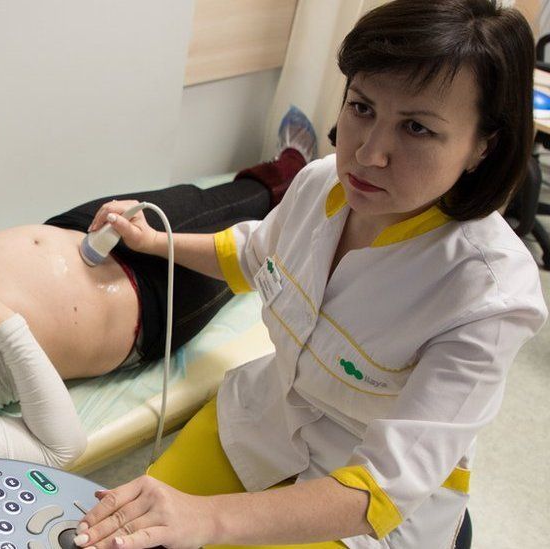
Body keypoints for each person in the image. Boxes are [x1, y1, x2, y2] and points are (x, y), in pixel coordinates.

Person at [72, 1, 548, 548]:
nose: (369, 154)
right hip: (262, 422)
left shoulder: (490, 295)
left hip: (360, 503)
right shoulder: (323, 183)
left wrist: (208, 519)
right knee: (120, 536)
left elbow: (380, 489)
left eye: (416, 128)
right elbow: (253, 256)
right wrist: (157, 242)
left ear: (482, 147)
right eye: (362, 107)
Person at [0, 109, 318, 472]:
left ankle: (290, 170)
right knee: (268, 238)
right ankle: (308, 184)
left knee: (208, 196)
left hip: (79, 229)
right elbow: (61, 448)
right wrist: (1, 323)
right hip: (142, 302)